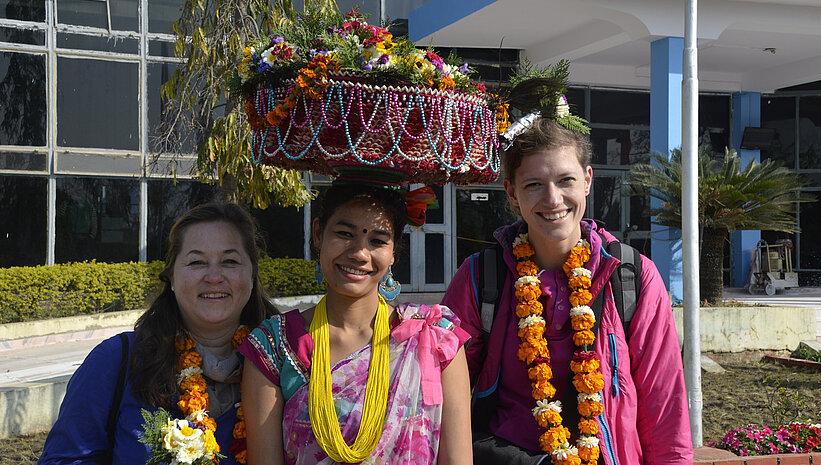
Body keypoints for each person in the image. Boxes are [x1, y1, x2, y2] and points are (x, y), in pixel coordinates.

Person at [441, 120, 694, 464]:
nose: (553, 198)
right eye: (533, 185)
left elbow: (664, 404)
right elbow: (440, 392)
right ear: (512, 193)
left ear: (588, 180)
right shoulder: (481, 276)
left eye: (566, 180)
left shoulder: (630, 277)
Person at [239, 183, 473, 465]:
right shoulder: (276, 346)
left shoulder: (433, 338)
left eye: (377, 241)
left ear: (393, 252)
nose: (360, 253)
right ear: (317, 234)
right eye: (344, 234)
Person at [39, 202, 277, 464]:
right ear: (172, 278)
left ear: (252, 275)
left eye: (230, 261)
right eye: (196, 262)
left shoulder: (284, 367)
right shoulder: (116, 361)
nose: (213, 276)